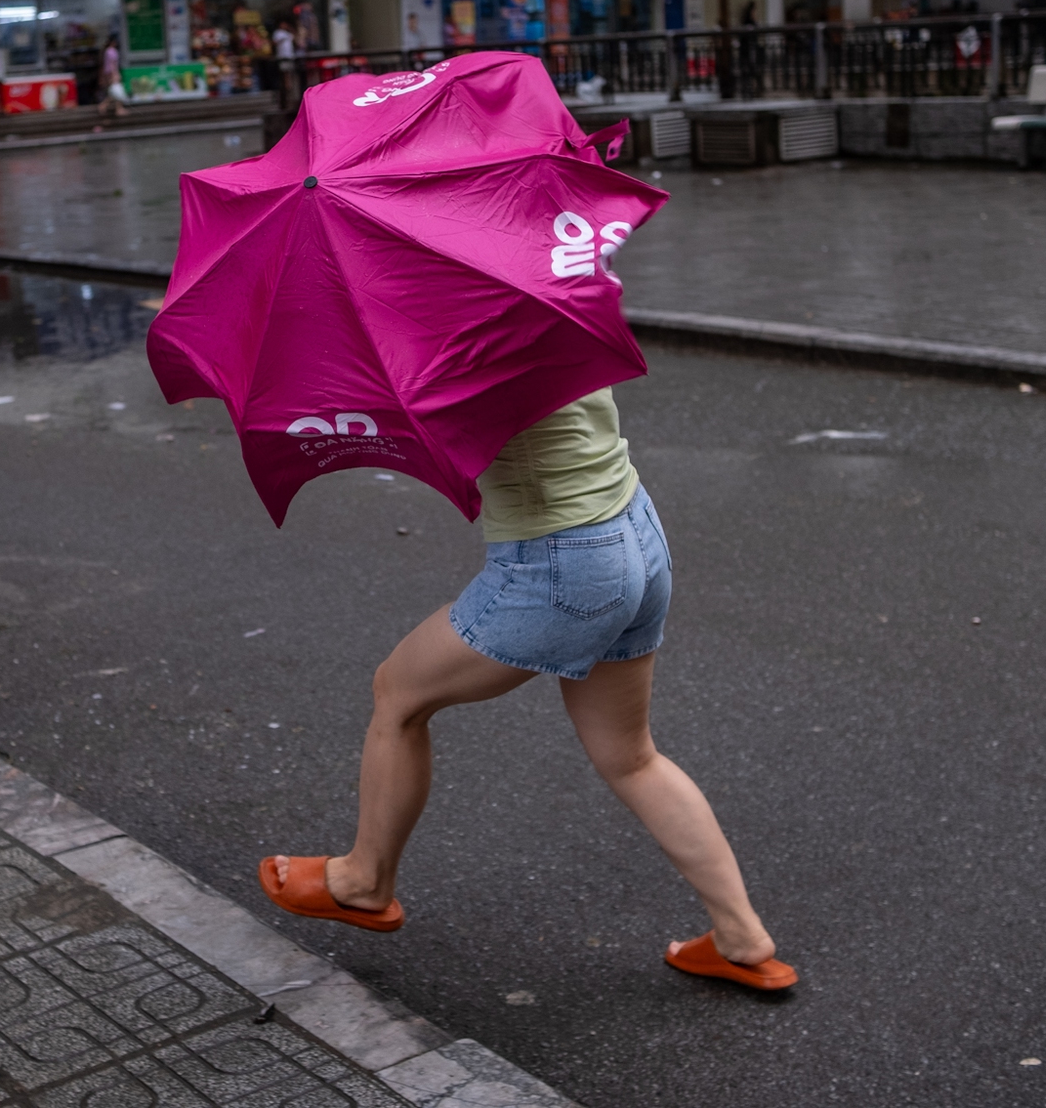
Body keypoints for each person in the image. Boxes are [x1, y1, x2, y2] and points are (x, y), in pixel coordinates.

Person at [259, 388, 798, 992]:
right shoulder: (549, 292)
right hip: (634, 531)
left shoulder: (453, 328)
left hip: (560, 560)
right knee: (631, 757)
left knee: (399, 695)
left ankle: (362, 881)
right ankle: (741, 937)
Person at [97, 37, 129, 118]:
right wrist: (115, 74)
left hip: (108, 73)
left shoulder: (107, 51)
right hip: (112, 73)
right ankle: (116, 108)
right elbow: (112, 64)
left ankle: (107, 106)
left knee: (114, 91)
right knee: (117, 91)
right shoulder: (112, 51)